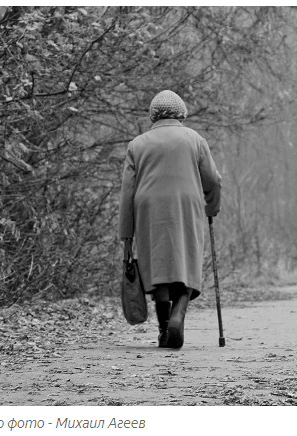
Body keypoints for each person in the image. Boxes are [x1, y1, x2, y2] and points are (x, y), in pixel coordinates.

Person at [118, 90, 222, 349]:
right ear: (182, 114)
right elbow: (213, 180)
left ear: (153, 115)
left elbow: (127, 192)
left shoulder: (137, 144)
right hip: (186, 205)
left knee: (158, 266)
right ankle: (178, 315)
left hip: (148, 209)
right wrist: (212, 207)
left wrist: (127, 234)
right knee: (186, 261)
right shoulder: (194, 139)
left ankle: (165, 330)